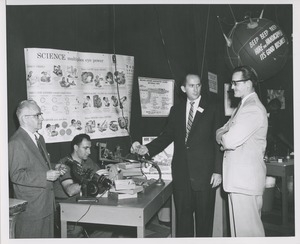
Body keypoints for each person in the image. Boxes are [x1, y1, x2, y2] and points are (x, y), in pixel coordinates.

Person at [131, 74, 223, 237]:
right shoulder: (176, 110)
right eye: (191, 86)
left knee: (204, 221)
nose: (195, 89)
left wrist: (218, 170)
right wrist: (148, 149)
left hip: (204, 174)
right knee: (183, 219)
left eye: (198, 85)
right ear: (183, 88)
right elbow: (166, 136)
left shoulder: (212, 108)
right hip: (182, 174)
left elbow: (218, 142)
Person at [216, 65, 268, 237]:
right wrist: (225, 135)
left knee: (248, 234)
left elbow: (228, 139)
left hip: (245, 183)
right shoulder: (243, 106)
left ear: (248, 84)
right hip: (240, 182)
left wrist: (225, 137)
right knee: (241, 234)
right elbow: (221, 131)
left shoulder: (252, 108)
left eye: (235, 83)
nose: (232, 87)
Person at [9, 100, 64, 238]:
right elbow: (16, 175)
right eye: (37, 115)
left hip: (46, 205)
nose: (42, 118)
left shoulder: (39, 138)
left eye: (41, 114)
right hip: (32, 210)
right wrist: (45, 176)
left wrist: (54, 166)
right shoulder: (16, 142)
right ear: (24, 119)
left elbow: (37, 164)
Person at [54, 133, 112, 238]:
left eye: (89, 148)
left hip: (86, 204)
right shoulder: (65, 164)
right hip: (67, 208)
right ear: (76, 147)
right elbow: (70, 190)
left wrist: (111, 171)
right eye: (85, 148)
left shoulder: (88, 162)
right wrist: (92, 179)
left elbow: (100, 175)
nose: (89, 152)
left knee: (110, 224)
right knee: (76, 230)